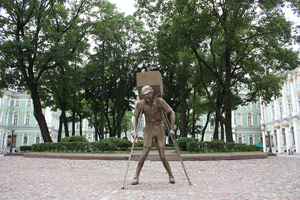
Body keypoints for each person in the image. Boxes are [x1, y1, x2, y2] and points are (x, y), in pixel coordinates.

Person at [131, 85, 175, 185]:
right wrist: (134, 130)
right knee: (144, 153)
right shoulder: (140, 104)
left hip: (159, 127)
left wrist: (171, 129)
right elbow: (135, 117)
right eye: (145, 96)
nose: (147, 98)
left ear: (152, 93)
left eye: (149, 95)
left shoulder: (160, 101)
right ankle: (136, 176)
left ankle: (171, 175)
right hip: (148, 128)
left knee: (162, 155)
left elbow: (171, 112)